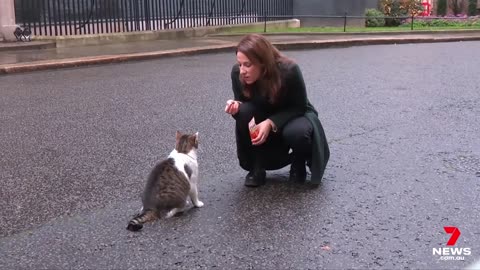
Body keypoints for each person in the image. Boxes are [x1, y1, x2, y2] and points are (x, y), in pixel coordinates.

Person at [224, 34, 330, 187]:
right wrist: (235, 106)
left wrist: (271, 122)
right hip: (261, 113)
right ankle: (257, 167)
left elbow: (299, 106)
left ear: (263, 63)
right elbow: (244, 107)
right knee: (243, 111)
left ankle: (298, 162)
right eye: (240, 64)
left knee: (297, 132)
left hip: (293, 114)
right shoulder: (237, 74)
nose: (242, 71)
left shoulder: (289, 70)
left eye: (247, 65)